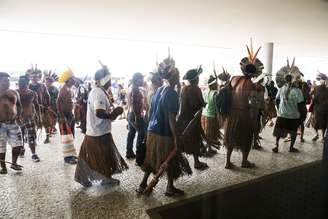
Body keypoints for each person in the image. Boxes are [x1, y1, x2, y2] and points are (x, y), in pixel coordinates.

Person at [137, 61, 192, 196]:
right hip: (164, 134)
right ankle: (169, 187)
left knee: (152, 158)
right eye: (177, 76)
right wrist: (176, 137)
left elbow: (150, 113)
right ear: (173, 78)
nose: (179, 78)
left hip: (152, 132)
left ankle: (143, 184)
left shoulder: (159, 90)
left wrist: (148, 131)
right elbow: (171, 119)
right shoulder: (171, 94)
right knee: (171, 160)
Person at [74, 66, 128, 187]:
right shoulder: (98, 93)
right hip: (98, 133)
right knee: (101, 157)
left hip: (96, 131)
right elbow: (99, 112)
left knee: (91, 157)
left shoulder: (97, 91)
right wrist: (114, 113)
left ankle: (84, 177)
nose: (110, 81)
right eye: (108, 79)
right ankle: (104, 178)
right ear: (103, 80)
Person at [224, 43, 264, 169]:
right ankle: (244, 161)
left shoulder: (234, 79)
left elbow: (228, 93)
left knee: (231, 137)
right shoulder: (252, 85)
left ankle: (227, 162)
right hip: (244, 115)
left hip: (232, 114)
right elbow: (254, 105)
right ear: (254, 74)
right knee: (246, 138)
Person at [177, 67, 208, 170]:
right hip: (192, 119)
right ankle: (196, 162)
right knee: (195, 140)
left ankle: (180, 161)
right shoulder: (196, 89)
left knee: (184, 141)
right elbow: (201, 103)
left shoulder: (184, 88)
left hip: (182, 119)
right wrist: (204, 104)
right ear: (195, 79)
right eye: (198, 78)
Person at [272, 74, 304, 153]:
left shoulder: (281, 88)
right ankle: (291, 147)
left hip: (282, 115)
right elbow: (301, 104)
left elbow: (277, 100)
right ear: (293, 80)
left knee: (279, 131)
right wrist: (301, 115)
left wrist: (279, 109)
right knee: (293, 132)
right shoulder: (298, 91)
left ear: (285, 80)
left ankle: (276, 145)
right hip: (293, 116)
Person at [0, 72, 23, 174]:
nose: (7, 82)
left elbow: (19, 106)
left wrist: (18, 116)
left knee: (18, 145)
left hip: (13, 123)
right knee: (1, 147)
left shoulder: (14, 93)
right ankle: (3, 166)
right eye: (5, 80)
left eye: (8, 80)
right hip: (0, 125)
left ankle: (14, 163)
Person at [16, 76, 41, 162]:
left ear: (27, 85)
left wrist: (39, 118)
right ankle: (22, 149)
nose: (21, 87)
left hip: (30, 118)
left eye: (23, 85)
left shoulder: (32, 93)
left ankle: (34, 154)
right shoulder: (15, 93)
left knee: (31, 136)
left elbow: (37, 106)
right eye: (20, 85)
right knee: (20, 137)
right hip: (18, 119)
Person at [57, 69, 78, 164]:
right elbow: (58, 102)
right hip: (64, 116)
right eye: (73, 79)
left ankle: (72, 154)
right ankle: (67, 157)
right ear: (69, 80)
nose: (75, 80)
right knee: (66, 136)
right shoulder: (64, 88)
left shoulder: (69, 88)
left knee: (71, 135)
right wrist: (62, 116)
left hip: (69, 115)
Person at [27, 66, 52, 144]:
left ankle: (47, 137)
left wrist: (47, 106)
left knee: (46, 123)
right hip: (32, 109)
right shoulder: (28, 86)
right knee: (33, 123)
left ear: (38, 77)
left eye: (36, 77)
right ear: (30, 78)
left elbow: (48, 96)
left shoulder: (42, 86)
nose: (34, 78)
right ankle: (33, 140)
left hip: (42, 107)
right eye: (32, 77)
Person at [126, 73, 146, 159]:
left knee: (131, 133)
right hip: (135, 115)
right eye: (141, 79)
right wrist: (137, 118)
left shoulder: (131, 87)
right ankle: (139, 156)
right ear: (137, 80)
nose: (142, 81)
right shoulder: (135, 89)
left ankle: (129, 152)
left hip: (130, 114)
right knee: (141, 133)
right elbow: (134, 103)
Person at [201, 75, 220, 155]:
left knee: (206, 133)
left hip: (204, 115)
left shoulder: (205, 91)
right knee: (210, 134)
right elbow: (216, 107)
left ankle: (208, 148)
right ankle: (207, 149)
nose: (217, 85)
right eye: (216, 84)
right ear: (212, 85)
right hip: (211, 116)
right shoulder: (215, 94)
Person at [312, 73, 328, 142]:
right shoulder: (316, 88)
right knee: (319, 123)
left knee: (319, 123)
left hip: (320, 109)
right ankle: (319, 136)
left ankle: (320, 136)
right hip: (320, 109)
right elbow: (312, 96)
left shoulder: (317, 88)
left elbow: (312, 97)